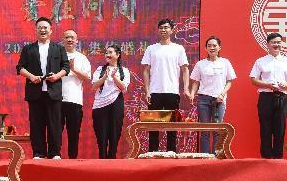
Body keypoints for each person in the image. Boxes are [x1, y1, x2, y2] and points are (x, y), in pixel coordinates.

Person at [16, 17, 70, 159]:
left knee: (55, 124)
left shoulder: (58, 48)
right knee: (36, 124)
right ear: (36, 30)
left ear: (51, 30)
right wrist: (31, 77)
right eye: (40, 27)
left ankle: (55, 153)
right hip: (35, 92)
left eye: (45, 27)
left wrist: (56, 76)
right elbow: (20, 68)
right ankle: (38, 152)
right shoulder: (29, 49)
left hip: (53, 92)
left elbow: (66, 67)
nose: (42, 30)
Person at [141, 19, 190, 152]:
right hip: (154, 92)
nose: (163, 30)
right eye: (161, 27)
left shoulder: (178, 48)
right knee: (153, 125)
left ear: (172, 30)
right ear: (158, 30)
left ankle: (171, 152)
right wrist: (147, 91)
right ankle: (152, 152)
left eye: (166, 27)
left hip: (172, 92)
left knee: (172, 125)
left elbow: (185, 69)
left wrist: (186, 88)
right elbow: (146, 71)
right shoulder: (151, 48)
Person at [249, 32, 287, 159]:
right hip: (266, 97)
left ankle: (277, 157)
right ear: (268, 44)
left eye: (278, 42)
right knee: (265, 128)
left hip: (281, 97)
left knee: (280, 129)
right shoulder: (260, 61)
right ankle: (266, 157)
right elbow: (253, 79)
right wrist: (267, 85)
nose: (276, 45)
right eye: (273, 42)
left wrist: (286, 84)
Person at [188, 36, 237, 154]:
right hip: (203, 100)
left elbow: (229, 81)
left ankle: (215, 156)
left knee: (217, 129)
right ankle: (205, 156)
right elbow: (196, 82)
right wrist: (192, 94)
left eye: (214, 45)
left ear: (219, 47)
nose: (212, 48)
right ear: (206, 48)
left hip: (218, 100)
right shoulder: (200, 64)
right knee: (204, 130)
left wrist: (222, 94)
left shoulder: (225, 62)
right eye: (209, 46)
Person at [91, 45, 130, 159]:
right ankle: (102, 159)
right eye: (106, 53)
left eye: (110, 52)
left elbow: (123, 87)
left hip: (116, 102)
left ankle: (112, 159)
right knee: (101, 135)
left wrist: (114, 77)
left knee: (114, 133)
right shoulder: (100, 69)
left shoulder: (124, 70)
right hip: (100, 105)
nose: (107, 55)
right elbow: (94, 86)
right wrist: (105, 77)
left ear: (117, 55)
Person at [60, 29, 91, 159]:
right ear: (63, 40)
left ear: (76, 41)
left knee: (73, 133)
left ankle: (72, 159)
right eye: (67, 37)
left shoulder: (82, 58)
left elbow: (87, 77)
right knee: (55, 132)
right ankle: (55, 157)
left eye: (72, 37)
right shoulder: (56, 55)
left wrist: (73, 69)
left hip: (75, 100)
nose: (69, 40)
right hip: (57, 100)